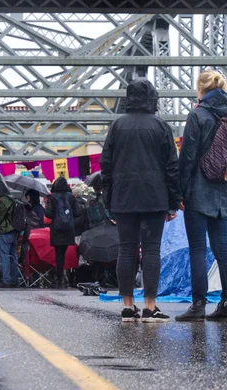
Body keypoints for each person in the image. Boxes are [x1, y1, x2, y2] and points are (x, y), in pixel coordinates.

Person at [100, 78, 180, 323]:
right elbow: (172, 167)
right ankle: (150, 306)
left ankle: (127, 305)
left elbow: (106, 166)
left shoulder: (117, 126)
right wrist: (173, 201)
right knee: (152, 250)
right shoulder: (160, 126)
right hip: (154, 198)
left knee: (126, 249)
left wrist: (109, 201)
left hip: (123, 199)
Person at [176, 70, 227, 321]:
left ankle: (198, 305)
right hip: (223, 194)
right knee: (223, 250)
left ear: (200, 90)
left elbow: (187, 157)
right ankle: (226, 304)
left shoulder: (197, 115)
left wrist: (179, 193)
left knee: (197, 249)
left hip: (197, 190)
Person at [45, 177, 81, 289]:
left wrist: (47, 209)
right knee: (64, 254)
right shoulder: (71, 197)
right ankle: (66, 276)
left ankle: (59, 277)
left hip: (56, 229)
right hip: (68, 230)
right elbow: (78, 212)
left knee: (58, 254)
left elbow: (49, 214)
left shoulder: (52, 197)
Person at [0, 194, 19, 288]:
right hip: (14, 231)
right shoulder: (14, 199)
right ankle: (14, 279)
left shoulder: (4, 200)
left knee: (4, 256)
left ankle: (6, 280)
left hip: (5, 231)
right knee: (13, 255)